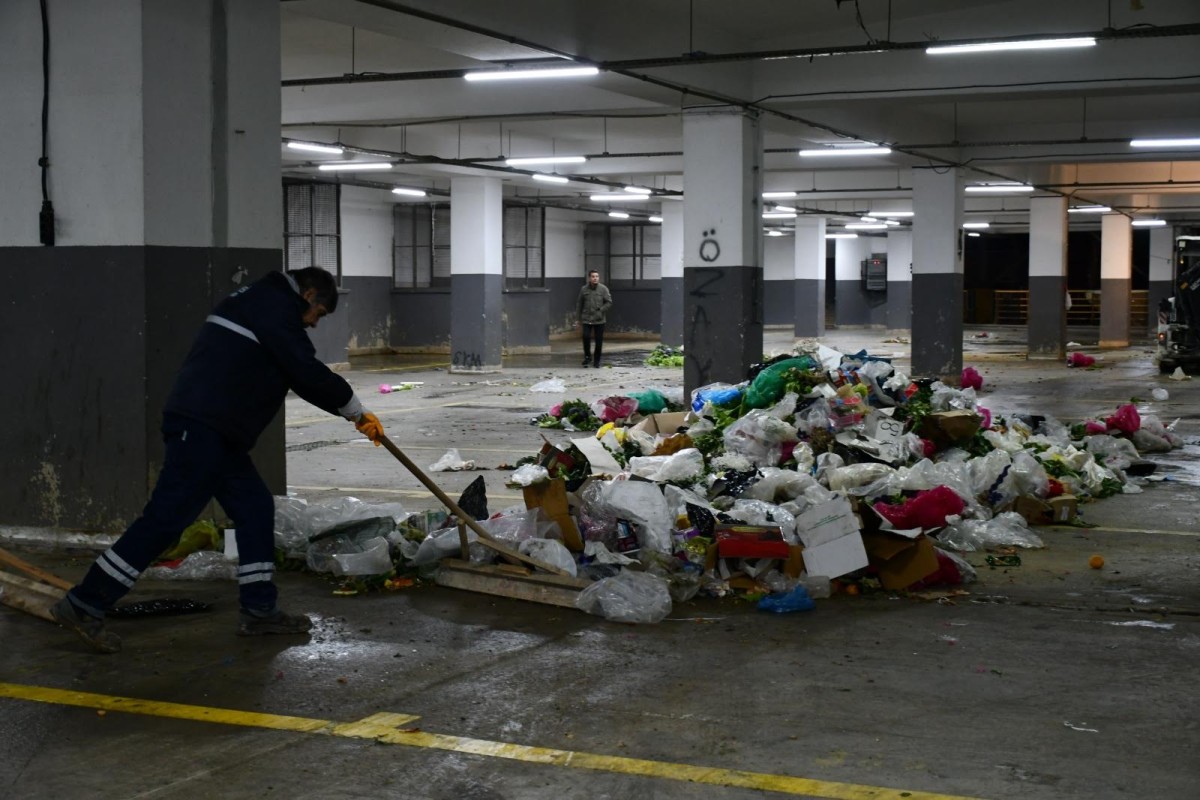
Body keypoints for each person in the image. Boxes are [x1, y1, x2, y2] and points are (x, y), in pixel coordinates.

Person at [51, 267, 385, 653]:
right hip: (202, 429)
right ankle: (85, 602)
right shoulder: (274, 307)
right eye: (319, 314)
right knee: (165, 520)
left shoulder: (263, 301)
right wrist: (355, 411)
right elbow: (304, 369)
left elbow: (294, 372)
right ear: (309, 295)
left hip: (219, 434)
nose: (313, 323)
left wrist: (350, 411)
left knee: (255, 509)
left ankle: (260, 611)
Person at [576, 269, 612, 368]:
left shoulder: (603, 289)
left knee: (598, 341)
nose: (595, 278)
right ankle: (587, 357)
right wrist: (578, 319)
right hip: (587, 318)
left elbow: (609, 302)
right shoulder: (584, 289)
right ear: (589, 278)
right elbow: (579, 304)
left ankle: (597, 361)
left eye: (597, 276)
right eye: (593, 276)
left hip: (599, 320)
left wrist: (601, 310)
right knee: (586, 337)